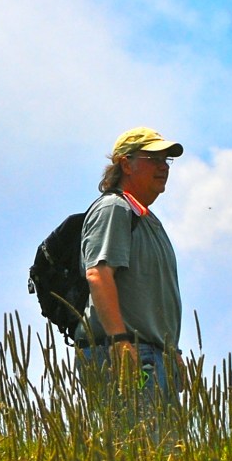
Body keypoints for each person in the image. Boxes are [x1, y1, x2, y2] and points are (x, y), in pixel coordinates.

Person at [76, 126, 186, 434]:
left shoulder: (146, 218)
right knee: (139, 450)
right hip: (128, 353)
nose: (163, 167)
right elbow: (98, 273)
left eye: (166, 160)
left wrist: (171, 350)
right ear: (126, 164)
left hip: (151, 353)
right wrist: (121, 341)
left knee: (161, 456)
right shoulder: (115, 208)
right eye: (153, 158)